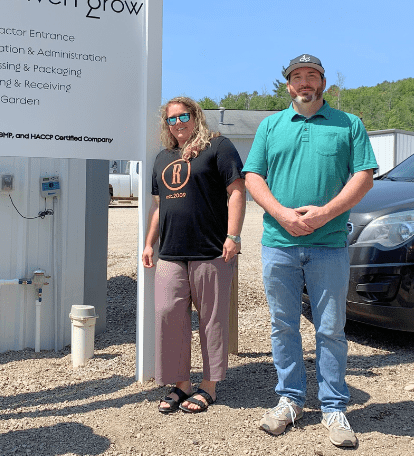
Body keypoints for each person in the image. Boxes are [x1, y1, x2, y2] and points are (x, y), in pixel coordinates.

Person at [243, 55, 376, 447]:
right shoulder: (270, 126)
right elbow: (253, 176)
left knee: (331, 329)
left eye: (311, 76)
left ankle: (334, 407)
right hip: (279, 245)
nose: (304, 82)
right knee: (283, 325)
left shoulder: (348, 125)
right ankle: (290, 400)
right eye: (297, 77)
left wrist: (325, 214)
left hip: (328, 244)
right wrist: (283, 214)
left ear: (322, 82)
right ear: (288, 85)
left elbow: (364, 176)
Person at [142, 96, 246, 415]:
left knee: (212, 320)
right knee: (168, 316)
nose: (177, 124)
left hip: (210, 251)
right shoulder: (162, 158)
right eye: (171, 119)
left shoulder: (218, 147)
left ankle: (209, 386)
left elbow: (237, 191)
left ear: (195, 116)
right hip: (170, 253)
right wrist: (149, 243)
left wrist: (233, 235)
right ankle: (181, 383)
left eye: (183, 116)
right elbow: (159, 206)